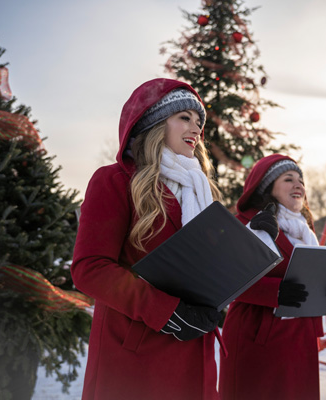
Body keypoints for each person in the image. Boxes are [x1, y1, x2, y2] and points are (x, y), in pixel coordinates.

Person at [71, 78, 223, 400]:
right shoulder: (114, 181)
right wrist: (165, 311)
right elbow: (89, 268)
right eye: (185, 117)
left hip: (195, 350)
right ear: (154, 122)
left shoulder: (201, 191)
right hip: (136, 359)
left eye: (199, 122)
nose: (196, 127)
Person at [218, 154, 326, 400]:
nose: (298, 184)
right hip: (257, 338)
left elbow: (309, 281)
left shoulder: (306, 231)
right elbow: (226, 277)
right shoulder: (244, 224)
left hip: (300, 341)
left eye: (301, 180)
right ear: (268, 188)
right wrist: (275, 292)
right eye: (289, 179)